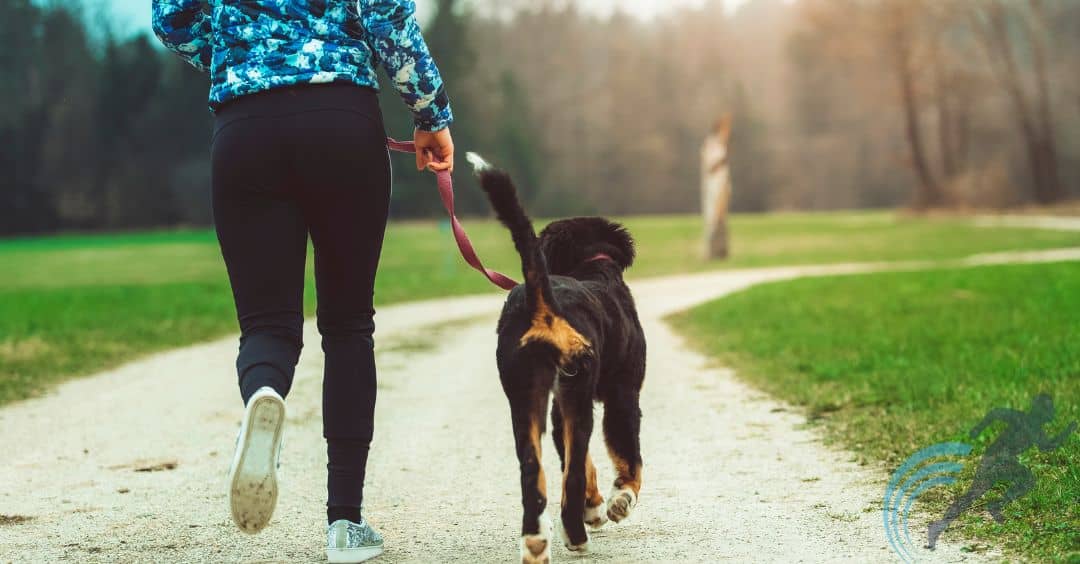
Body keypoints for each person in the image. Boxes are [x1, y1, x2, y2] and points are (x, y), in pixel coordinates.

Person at [151, 0, 455, 561]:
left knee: (266, 324)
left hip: (245, 127)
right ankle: (344, 524)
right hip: (342, 120)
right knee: (346, 324)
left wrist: (238, 52)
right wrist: (430, 114)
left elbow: (171, 17)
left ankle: (263, 396)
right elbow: (388, 14)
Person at [927, 394, 1076, 549]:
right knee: (977, 493)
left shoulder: (1037, 431)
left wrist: (1067, 431)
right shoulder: (1020, 418)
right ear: (1038, 410)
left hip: (1001, 460)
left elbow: (1047, 447)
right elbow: (996, 412)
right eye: (1048, 409)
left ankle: (993, 506)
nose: (1051, 412)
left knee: (980, 492)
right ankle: (992, 506)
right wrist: (978, 429)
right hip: (995, 459)